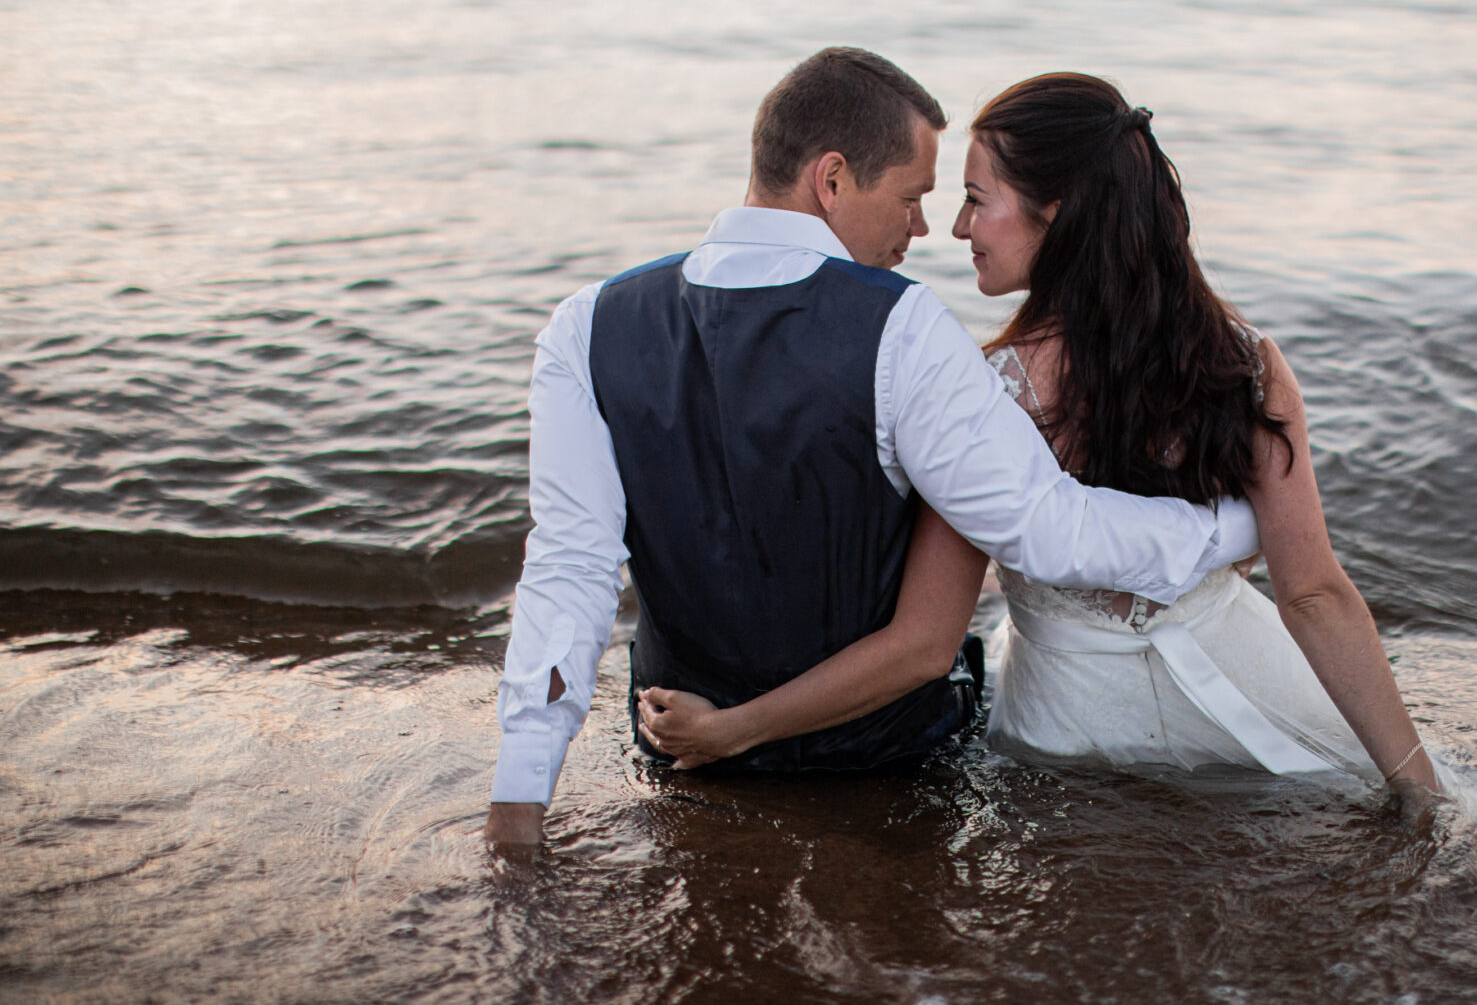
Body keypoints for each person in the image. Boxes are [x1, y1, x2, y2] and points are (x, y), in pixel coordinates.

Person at [483, 50, 1265, 850]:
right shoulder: (904, 325)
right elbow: (1045, 528)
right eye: (912, 197)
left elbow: (569, 568)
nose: (924, 229)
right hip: (883, 768)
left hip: (685, 760)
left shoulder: (587, 325)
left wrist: (519, 802)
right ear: (832, 180)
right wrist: (1236, 527)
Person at [636, 72, 1443, 812]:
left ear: (1054, 215)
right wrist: (1417, 784)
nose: (954, 226)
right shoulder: (1244, 363)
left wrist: (738, 726)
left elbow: (924, 641)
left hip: (1073, 729)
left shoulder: (986, 388)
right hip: (1255, 685)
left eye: (977, 199)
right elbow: (1315, 596)